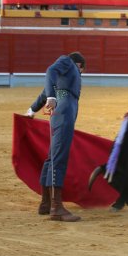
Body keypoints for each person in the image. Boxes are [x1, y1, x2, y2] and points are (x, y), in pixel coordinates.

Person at [25, 52, 86, 222]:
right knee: (58, 158)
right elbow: (50, 71)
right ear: (79, 65)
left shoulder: (60, 79)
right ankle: (56, 207)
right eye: (81, 71)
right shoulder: (68, 62)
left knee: (51, 158)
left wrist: (31, 111)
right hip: (64, 113)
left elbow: (45, 91)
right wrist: (52, 97)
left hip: (60, 113)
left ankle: (45, 203)